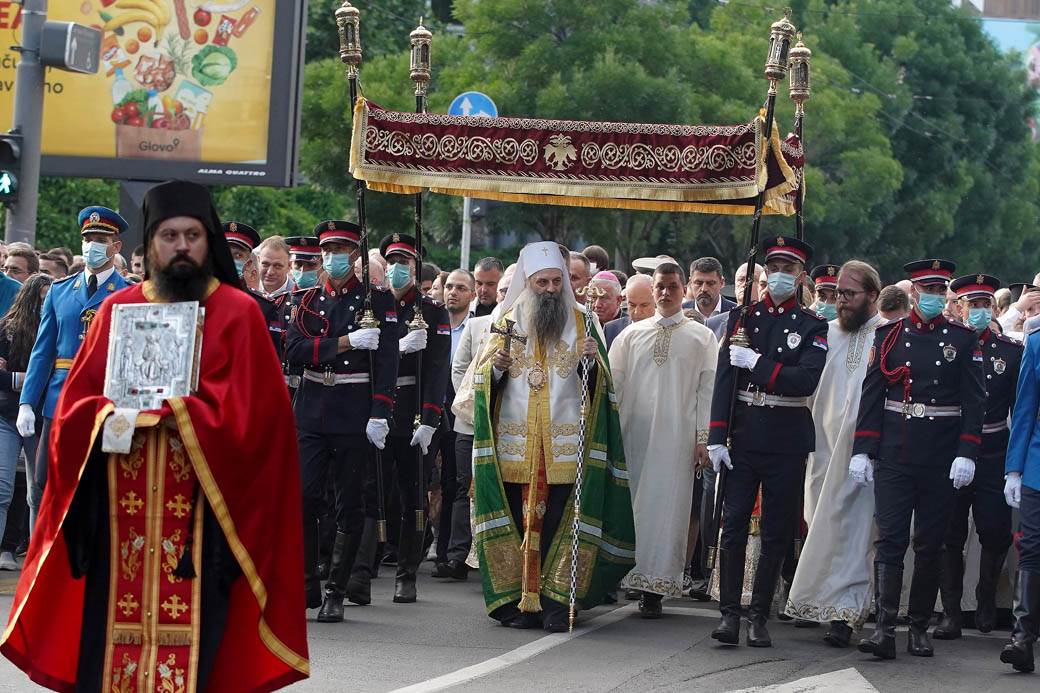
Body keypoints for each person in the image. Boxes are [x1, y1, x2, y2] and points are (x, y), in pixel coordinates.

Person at [0, 180, 309, 691]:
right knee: (106, 650)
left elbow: (261, 426)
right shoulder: (117, 311)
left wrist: (180, 413)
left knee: (200, 652)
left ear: (207, 240)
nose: (181, 245)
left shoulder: (239, 313)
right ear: (151, 242)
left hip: (202, 522)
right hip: (117, 517)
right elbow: (76, 410)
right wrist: (112, 416)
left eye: (192, 234)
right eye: (169, 235)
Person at [473, 241, 634, 632]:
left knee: (562, 524)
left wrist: (591, 365)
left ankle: (557, 604)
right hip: (516, 446)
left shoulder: (583, 321)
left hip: (566, 448)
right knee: (517, 521)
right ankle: (516, 602)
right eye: (541, 282)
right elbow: (479, 384)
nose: (549, 289)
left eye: (555, 281)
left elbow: (603, 388)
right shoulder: (507, 321)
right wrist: (495, 370)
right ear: (528, 283)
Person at [851, 259, 985, 660]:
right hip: (896, 451)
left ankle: (920, 627)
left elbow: (974, 402)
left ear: (946, 296)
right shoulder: (890, 336)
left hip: (940, 455)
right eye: (926, 290)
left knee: (929, 544)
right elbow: (873, 394)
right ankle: (886, 628)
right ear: (914, 294)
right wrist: (863, 448)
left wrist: (967, 452)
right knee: (889, 540)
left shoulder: (962, 339)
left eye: (938, 291)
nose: (932, 297)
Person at [707, 236, 828, 648]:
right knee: (734, 525)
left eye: (788, 268)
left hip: (786, 436)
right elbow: (725, 379)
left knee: (776, 530)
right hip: (743, 433)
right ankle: (729, 614)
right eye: (774, 266)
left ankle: (758, 615)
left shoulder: (813, 325)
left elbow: (805, 379)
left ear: (800, 276)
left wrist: (759, 364)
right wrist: (716, 435)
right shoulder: (743, 318)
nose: (780, 275)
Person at [284, 220, 398, 622]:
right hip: (313, 407)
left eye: (340, 252)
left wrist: (380, 412)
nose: (332, 259)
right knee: (304, 496)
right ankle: (306, 581)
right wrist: (346, 342)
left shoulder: (377, 302)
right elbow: (295, 348)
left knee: (349, 503)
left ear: (353, 256)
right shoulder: (305, 298)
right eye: (327, 251)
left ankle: (336, 587)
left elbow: (387, 363)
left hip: (354, 409)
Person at [784, 260, 883, 646]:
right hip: (821, 447)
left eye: (849, 294)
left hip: (863, 453)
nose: (840, 301)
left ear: (873, 296)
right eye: (837, 293)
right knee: (819, 522)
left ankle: (845, 613)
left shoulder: (887, 337)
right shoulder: (821, 335)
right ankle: (816, 601)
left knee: (857, 532)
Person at [611, 262, 717, 618]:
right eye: (660, 286)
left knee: (668, 509)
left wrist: (704, 438)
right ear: (652, 289)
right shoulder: (631, 334)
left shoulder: (702, 337)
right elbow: (614, 385)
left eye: (673, 286)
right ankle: (626, 574)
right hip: (634, 435)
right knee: (633, 505)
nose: (666, 293)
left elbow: (708, 389)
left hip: (677, 438)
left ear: (683, 287)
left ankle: (655, 587)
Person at [15, 208, 130, 511]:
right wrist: (27, 402)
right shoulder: (61, 290)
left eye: (101, 239)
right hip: (59, 399)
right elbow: (43, 350)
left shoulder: (130, 293)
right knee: (46, 483)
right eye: (88, 238)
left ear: (116, 246)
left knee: (101, 488)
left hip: (107, 402)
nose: (93, 245)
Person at [933, 275, 1021, 640]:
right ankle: (952, 611)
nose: (980, 311)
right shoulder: (947, 346)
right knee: (948, 533)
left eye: (986, 304)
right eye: (972, 304)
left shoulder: (1010, 351)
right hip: (952, 451)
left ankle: (985, 598)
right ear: (959, 307)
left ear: (996, 309)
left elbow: (1021, 408)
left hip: (994, 450)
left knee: (994, 532)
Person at [376, 234, 450, 603]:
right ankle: (364, 566)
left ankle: (407, 572)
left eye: (404, 260)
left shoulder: (432, 311)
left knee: (412, 498)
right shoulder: (372, 306)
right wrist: (396, 347)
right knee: (372, 492)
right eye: (392, 260)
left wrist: (431, 418)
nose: (396, 267)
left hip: (413, 411)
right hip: (378, 407)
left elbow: (437, 369)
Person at [0, 274, 52, 569]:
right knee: (2, 487)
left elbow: (55, 374)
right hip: (7, 414)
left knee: (37, 491)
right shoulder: (6, 330)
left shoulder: (56, 331)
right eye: (40, 300)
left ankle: (36, 557)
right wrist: (25, 380)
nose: (44, 306)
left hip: (42, 416)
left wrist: (15, 378)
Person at [429, 269, 475, 577]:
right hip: (431, 407)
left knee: (455, 482)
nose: (452, 292)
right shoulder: (432, 323)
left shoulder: (478, 327)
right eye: (449, 286)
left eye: (460, 288)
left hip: (459, 411)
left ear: (471, 295)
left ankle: (451, 551)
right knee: (424, 480)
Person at [1003, 321, 1040, 674]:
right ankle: (1022, 638)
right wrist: (1014, 469)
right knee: (1030, 547)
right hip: (1037, 462)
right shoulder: (1038, 342)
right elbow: (1025, 406)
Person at [224, 222, 288, 360]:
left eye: (238, 255)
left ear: (248, 264)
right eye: (225, 253)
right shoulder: (200, 300)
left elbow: (270, 361)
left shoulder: (264, 307)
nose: (229, 260)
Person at [705, 262, 762, 341]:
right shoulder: (712, 324)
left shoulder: (770, 321)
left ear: (762, 286)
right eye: (741, 280)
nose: (745, 284)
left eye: (752, 279)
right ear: (735, 287)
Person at [605, 274, 653, 348]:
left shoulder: (667, 329)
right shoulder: (611, 330)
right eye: (632, 305)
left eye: (644, 305)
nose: (637, 312)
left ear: (655, 302)